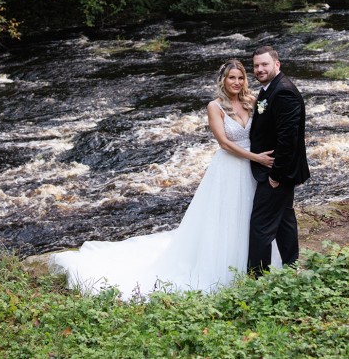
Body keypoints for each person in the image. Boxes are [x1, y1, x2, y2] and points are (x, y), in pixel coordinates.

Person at [49, 60, 275, 297]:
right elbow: (225, 143)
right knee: (227, 217)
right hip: (231, 168)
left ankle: (256, 266)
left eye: (240, 78)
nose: (237, 82)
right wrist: (255, 157)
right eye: (232, 78)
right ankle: (226, 269)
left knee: (251, 215)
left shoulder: (252, 101)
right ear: (223, 80)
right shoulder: (215, 107)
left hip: (253, 167)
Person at [248, 46, 310, 277]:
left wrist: (276, 175)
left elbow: (289, 139)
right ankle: (292, 268)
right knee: (284, 219)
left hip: (277, 172)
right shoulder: (268, 89)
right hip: (277, 170)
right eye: (256, 65)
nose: (260, 69)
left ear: (277, 64)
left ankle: (257, 279)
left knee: (260, 225)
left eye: (265, 64)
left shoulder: (283, 92)